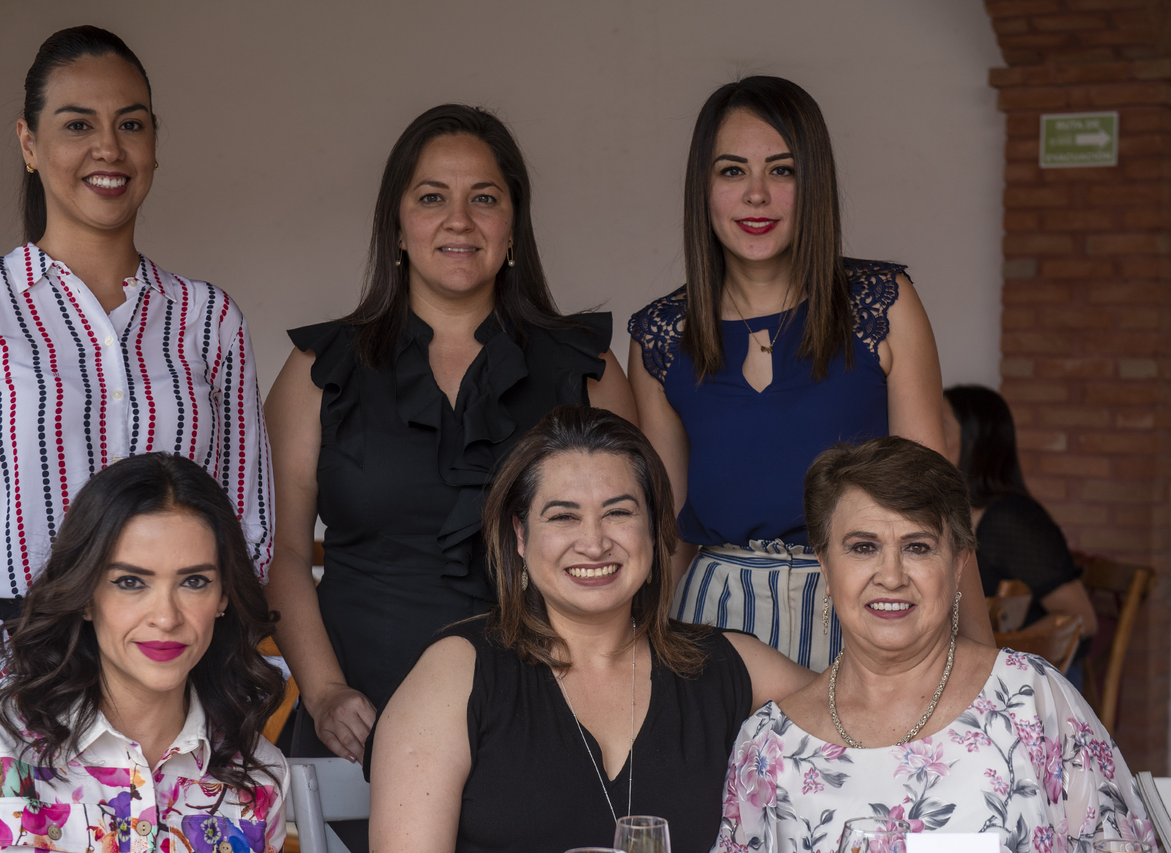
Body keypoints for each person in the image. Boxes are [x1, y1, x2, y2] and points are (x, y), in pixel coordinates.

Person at [0, 25, 272, 780]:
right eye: (77, 125)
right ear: (29, 144)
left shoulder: (208, 320)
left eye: (131, 124)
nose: (108, 147)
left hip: (171, 683)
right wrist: (11, 687)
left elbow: (246, 529)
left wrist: (183, 667)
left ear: (154, 144)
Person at [265, 105, 636, 762]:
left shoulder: (587, 370)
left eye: (484, 198)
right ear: (397, 226)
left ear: (513, 225)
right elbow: (283, 551)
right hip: (358, 720)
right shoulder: (316, 372)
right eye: (432, 197)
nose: (459, 220)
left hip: (548, 713)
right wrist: (323, 693)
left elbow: (631, 545)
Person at [627, 76, 990, 671]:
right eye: (732, 171)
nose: (757, 195)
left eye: (783, 170)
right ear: (703, 188)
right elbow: (665, 536)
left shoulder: (882, 304)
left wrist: (981, 658)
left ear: (814, 183)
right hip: (712, 624)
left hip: (864, 606)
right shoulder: (661, 336)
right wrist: (635, 659)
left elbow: (935, 503)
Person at [370, 405, 813, 853]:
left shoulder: (729, 665)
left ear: (653, 529)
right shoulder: (453, 674)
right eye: (563, 516)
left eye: (618, 512)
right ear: (520, 535)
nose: (595, 543)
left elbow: (856, 720)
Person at [713, 436, 1152, 853]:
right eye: (863, 547)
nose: (891, 576)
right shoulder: (768, 746)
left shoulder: (1029, 701)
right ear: (826, 566)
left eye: (918, 547)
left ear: (958, 564)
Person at [0, 453, 289, 853]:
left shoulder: (259, 775)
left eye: (194, 581)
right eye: (131, 582)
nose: (166, 618)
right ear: (85, 596)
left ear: (223, 596)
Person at [943, 384, 1097, 685]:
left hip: (1031, 684)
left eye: (941, 424)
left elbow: (1082, 618)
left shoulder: (1011, 518)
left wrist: (998, 661)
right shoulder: (949, 514)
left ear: (975, 442)